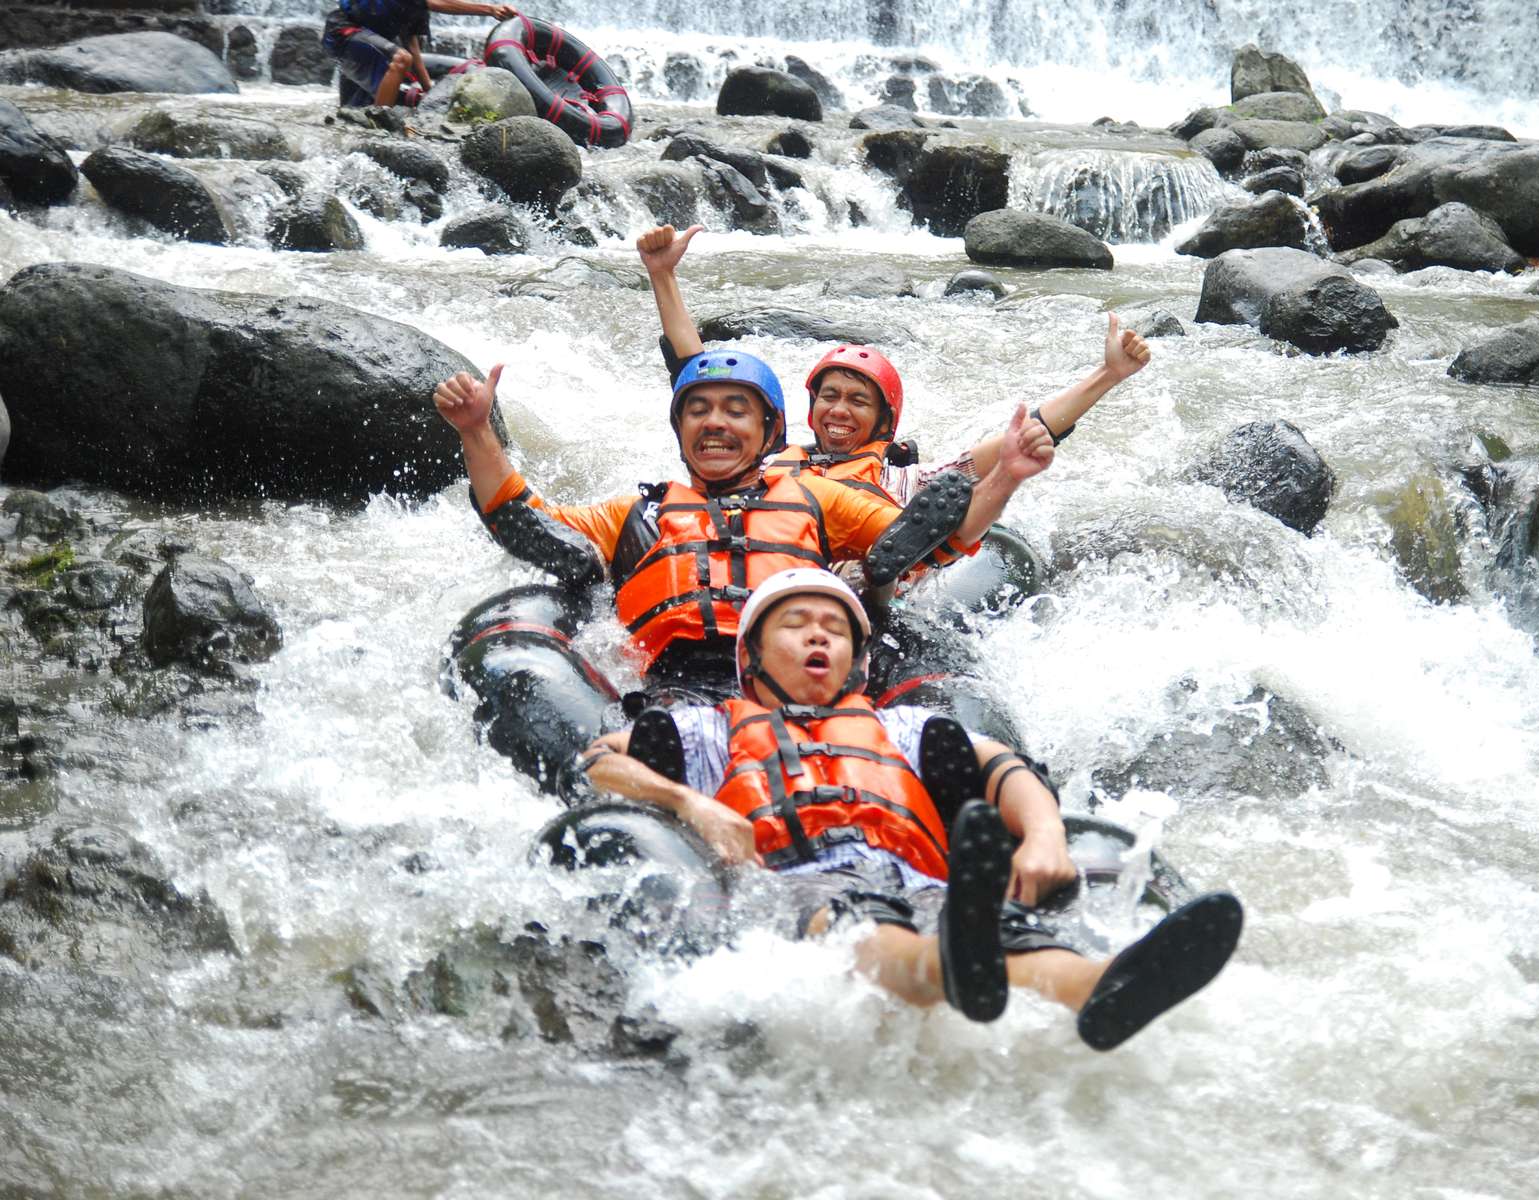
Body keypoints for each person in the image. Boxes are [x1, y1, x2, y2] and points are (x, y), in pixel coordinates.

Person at [567, 569, 1244, 1050]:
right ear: (752, 657)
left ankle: (1097, 988)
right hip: (798, 881)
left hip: (921, 878)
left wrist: (1044, 838)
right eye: (797, 624)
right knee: (866, 926)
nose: (819, 638)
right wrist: (691, 804)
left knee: (1005, 927)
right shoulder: (708, 728)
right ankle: (942, 968)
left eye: (834, 629)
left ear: (856, 664)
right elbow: (603, 761)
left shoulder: (904, 727)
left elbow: (1007, 770)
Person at [432, 351, 1057, 700]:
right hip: (673, 689)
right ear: (679, 431)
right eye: (698, 411)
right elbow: (523, 522)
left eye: (736, 411)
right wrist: (476, 431)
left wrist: (1006, 476)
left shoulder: (817, 499)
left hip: (797, 686)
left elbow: (929, 540)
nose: (716, 424)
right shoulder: (635, 513)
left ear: (768, 434)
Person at [635, 224, 1154, 505]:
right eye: (830, 396)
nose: (839, 410)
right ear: (810, 411)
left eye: (858, 400)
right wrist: (663, 277)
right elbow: (699, 377)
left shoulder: (912, 482)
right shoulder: (764, 460)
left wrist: (1107, 375)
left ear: (884, 423)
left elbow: (1026, 435)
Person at [322, 0, 516, 109]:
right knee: (400, 58)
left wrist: (429, 94)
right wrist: (491, 9)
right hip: (343, 33)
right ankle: (380, 122)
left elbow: (414, 50)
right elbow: (435, 2)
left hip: (368, 49)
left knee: (350, 111)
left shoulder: (417, 11)